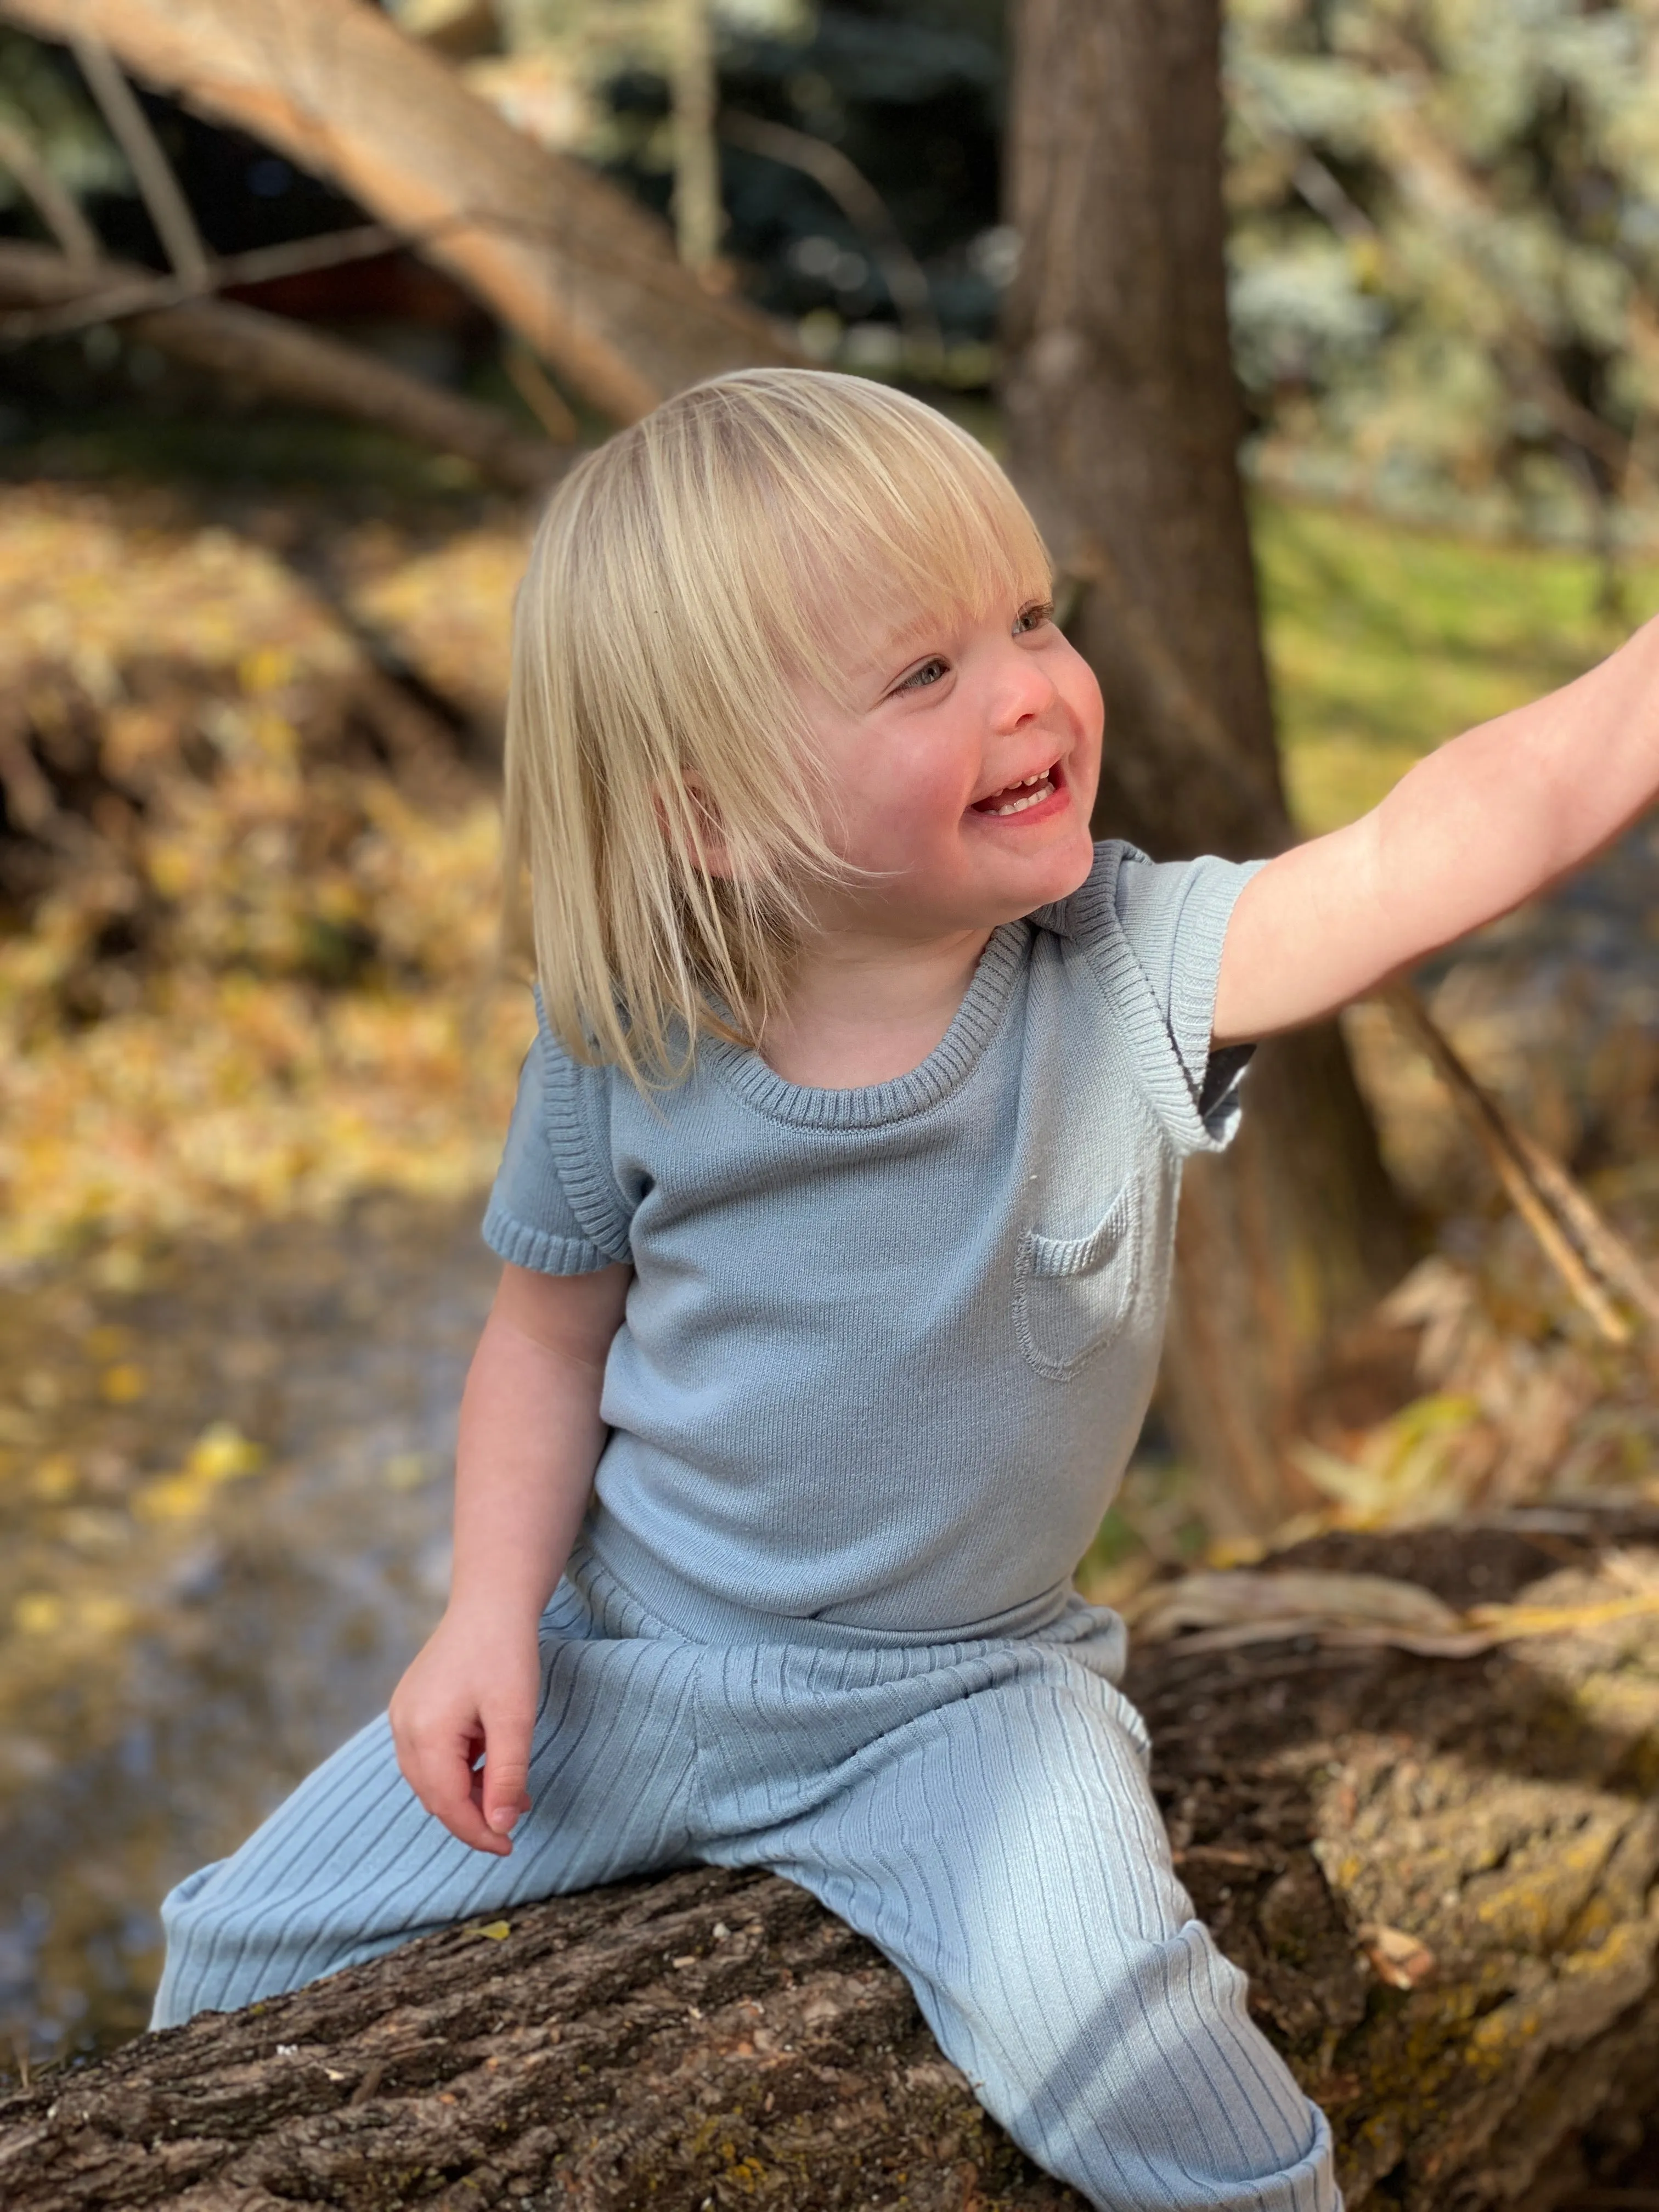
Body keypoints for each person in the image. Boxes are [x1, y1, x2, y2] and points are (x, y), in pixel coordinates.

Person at [150, 370, 1659, 2210]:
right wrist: (483, 1616)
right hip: (619, 1665)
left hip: (957, 1708)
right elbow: (544, 1341)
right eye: (922, 675)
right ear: (710, 817)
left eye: (1029, 618)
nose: (1029, 686)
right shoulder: (631, 1037)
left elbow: (1438, 841)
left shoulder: (1121, 976)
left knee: (1172, 2096)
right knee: (224, 1970)